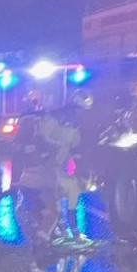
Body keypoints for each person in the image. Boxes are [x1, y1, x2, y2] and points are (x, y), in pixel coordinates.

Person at [40, 90, 94, 243]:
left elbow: (74, 143)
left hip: (58, 162)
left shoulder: (74, 122)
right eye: (80, 109)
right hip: (49, 163)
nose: (81, 114)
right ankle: (42, 241)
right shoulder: (56, 117)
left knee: (56, 200)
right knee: (51, 204)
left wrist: (76, 157)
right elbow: (44, 138)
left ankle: (57, 231)